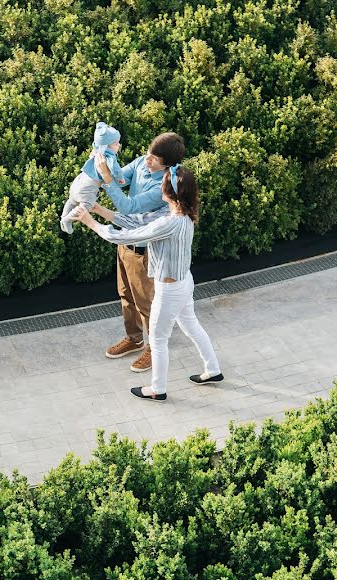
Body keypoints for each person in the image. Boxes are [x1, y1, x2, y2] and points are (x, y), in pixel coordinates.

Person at [71, 164, 224, 401]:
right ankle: (213, 370)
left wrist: (90, 223)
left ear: (169, 194)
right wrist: (98, 209)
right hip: (184, 282)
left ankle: (157, 389)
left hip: (169, 289)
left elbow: (124, 235)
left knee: (158, 339)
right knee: (191, 326)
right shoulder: (181, 215)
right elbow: (136, 222)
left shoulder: (167, 222)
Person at [95, 132, 186, 373]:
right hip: (125, 243)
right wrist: (105, 159)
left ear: (167, 164)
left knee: (146, 303)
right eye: (148, 153)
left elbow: (128, 206)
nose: (147, 160)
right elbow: (120, 179)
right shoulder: (140, 162)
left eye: (154, 159)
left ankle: (154, 349)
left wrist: (106, 179)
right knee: (125, 295)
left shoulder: (164, 185)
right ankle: (134, 339)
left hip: (144, 251)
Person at [59, 122, 125, 234]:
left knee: (72, 200)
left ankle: (63, 217)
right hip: (88, 188)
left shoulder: (96, 151)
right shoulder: (108, 155)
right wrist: (120, 179)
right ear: (106, 146)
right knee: (85, 207)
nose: (118, 146)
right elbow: (116, 169)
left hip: (79, 181)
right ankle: (67, 219)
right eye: (115, 144)